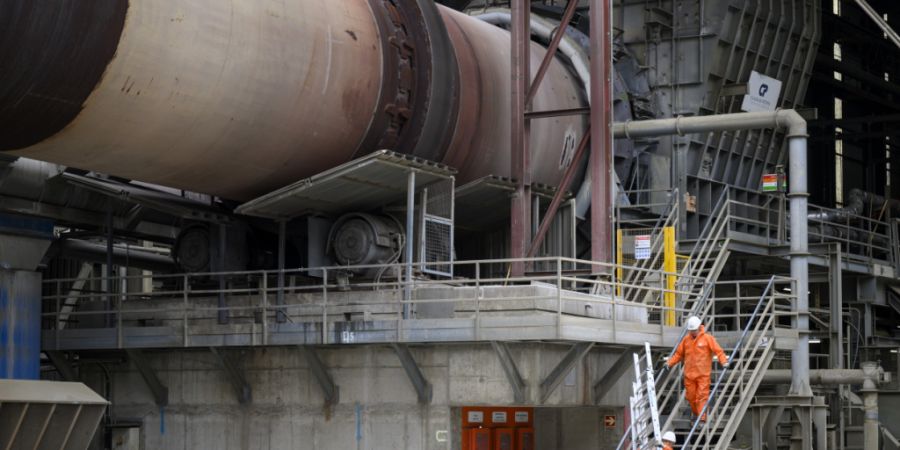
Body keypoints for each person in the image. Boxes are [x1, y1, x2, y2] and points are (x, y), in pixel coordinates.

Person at [667, 316, 728, 422]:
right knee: (691, 397)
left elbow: (718, 351)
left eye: (694, 330)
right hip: (689, 375)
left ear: (699, 327)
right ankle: (697, 414)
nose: (693, 332)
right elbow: (678, 354)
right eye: (691, 330)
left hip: (703, 375)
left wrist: (724, 362)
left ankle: (702, 418)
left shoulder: (708, 338)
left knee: (701, 396)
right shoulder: (686, 340)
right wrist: (669, 363)